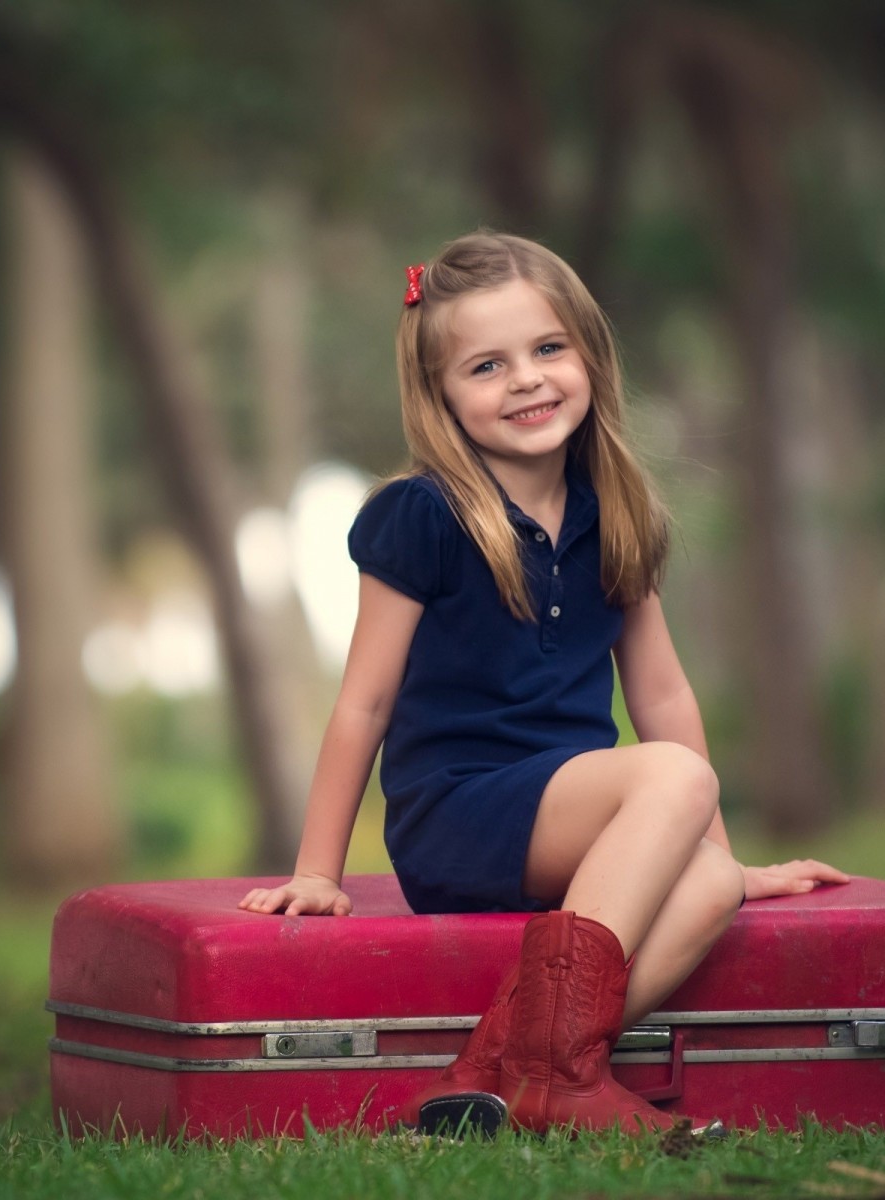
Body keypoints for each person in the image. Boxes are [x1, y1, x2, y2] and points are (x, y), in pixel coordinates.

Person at [237, 231, 847, 1136]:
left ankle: (505, 1066)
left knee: (712, 885)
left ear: (590, 357)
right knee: (674, 773)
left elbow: (664, 698)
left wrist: (719, 854)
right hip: (461, 820)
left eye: (548, 349)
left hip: (573, 829)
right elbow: (362, 702)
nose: (525, 379)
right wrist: (319, 871)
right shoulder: (423, 516)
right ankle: (551, 1070)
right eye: (487, 365)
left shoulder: (617, 515)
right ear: (440, 394)